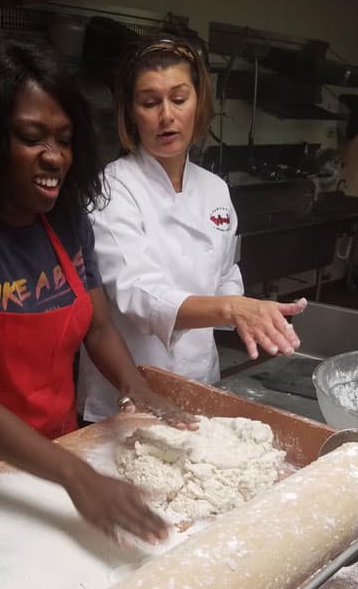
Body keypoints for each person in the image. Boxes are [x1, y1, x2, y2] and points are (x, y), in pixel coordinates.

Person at [0, 35, 189, 544]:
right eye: (32, 137)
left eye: (65, 138)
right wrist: (78, 478)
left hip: (61, 458)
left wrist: (135, 386)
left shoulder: (67, 221)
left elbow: (97, 327)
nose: (55, 157)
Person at [78, 36, 307, 422]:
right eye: (149, 103)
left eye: (179, 99)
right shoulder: (112, 188)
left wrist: (242, 312)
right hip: (128, 394)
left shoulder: (215, 189)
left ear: (199, 103)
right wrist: (233, 309)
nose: (166, 115)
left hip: (201, 380)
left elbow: (225, 274)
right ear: (131, 114)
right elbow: (139, 295)